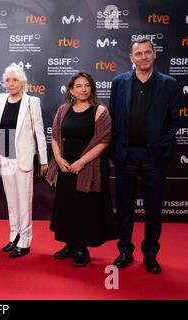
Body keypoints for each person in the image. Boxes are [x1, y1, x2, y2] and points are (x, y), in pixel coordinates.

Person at [109, 39, 180, 274]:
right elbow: (112, 118)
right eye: (138, 53)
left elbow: (173, 121)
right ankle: (125, 250)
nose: (143, 57)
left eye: (147, 52)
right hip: (126, 156)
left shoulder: (169, 84)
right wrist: (115, 151)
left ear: (154, 54)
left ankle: (150, 254)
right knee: (125, 206)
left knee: (153, 208)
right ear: (131, 58)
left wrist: (164, 149)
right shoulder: (119, 83)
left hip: (154, 157)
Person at [46, 71, 117, 267]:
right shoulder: (63, 110)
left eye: (87, 85)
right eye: (79, 86)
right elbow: (55, 137)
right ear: (71, 90)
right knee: (68, 207)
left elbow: (104, 141)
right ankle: (69, 245)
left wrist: (81, 162)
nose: (83, 89)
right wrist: (59, 158)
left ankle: (81, 249)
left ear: (91, 88)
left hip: (89, 167)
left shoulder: (100, 110)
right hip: (66, 166)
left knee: (85, 209)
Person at [0, 63, 48, 258]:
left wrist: (43, 160)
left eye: (14, 80)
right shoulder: (1, 100)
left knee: (24, 201)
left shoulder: (31, 102)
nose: (10, 84)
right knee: (11, 201)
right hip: (6, 156)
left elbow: (39, 132)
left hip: (24, 157)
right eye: (7, 80)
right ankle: (14, 235)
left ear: (22, 82)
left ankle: (25, 241)